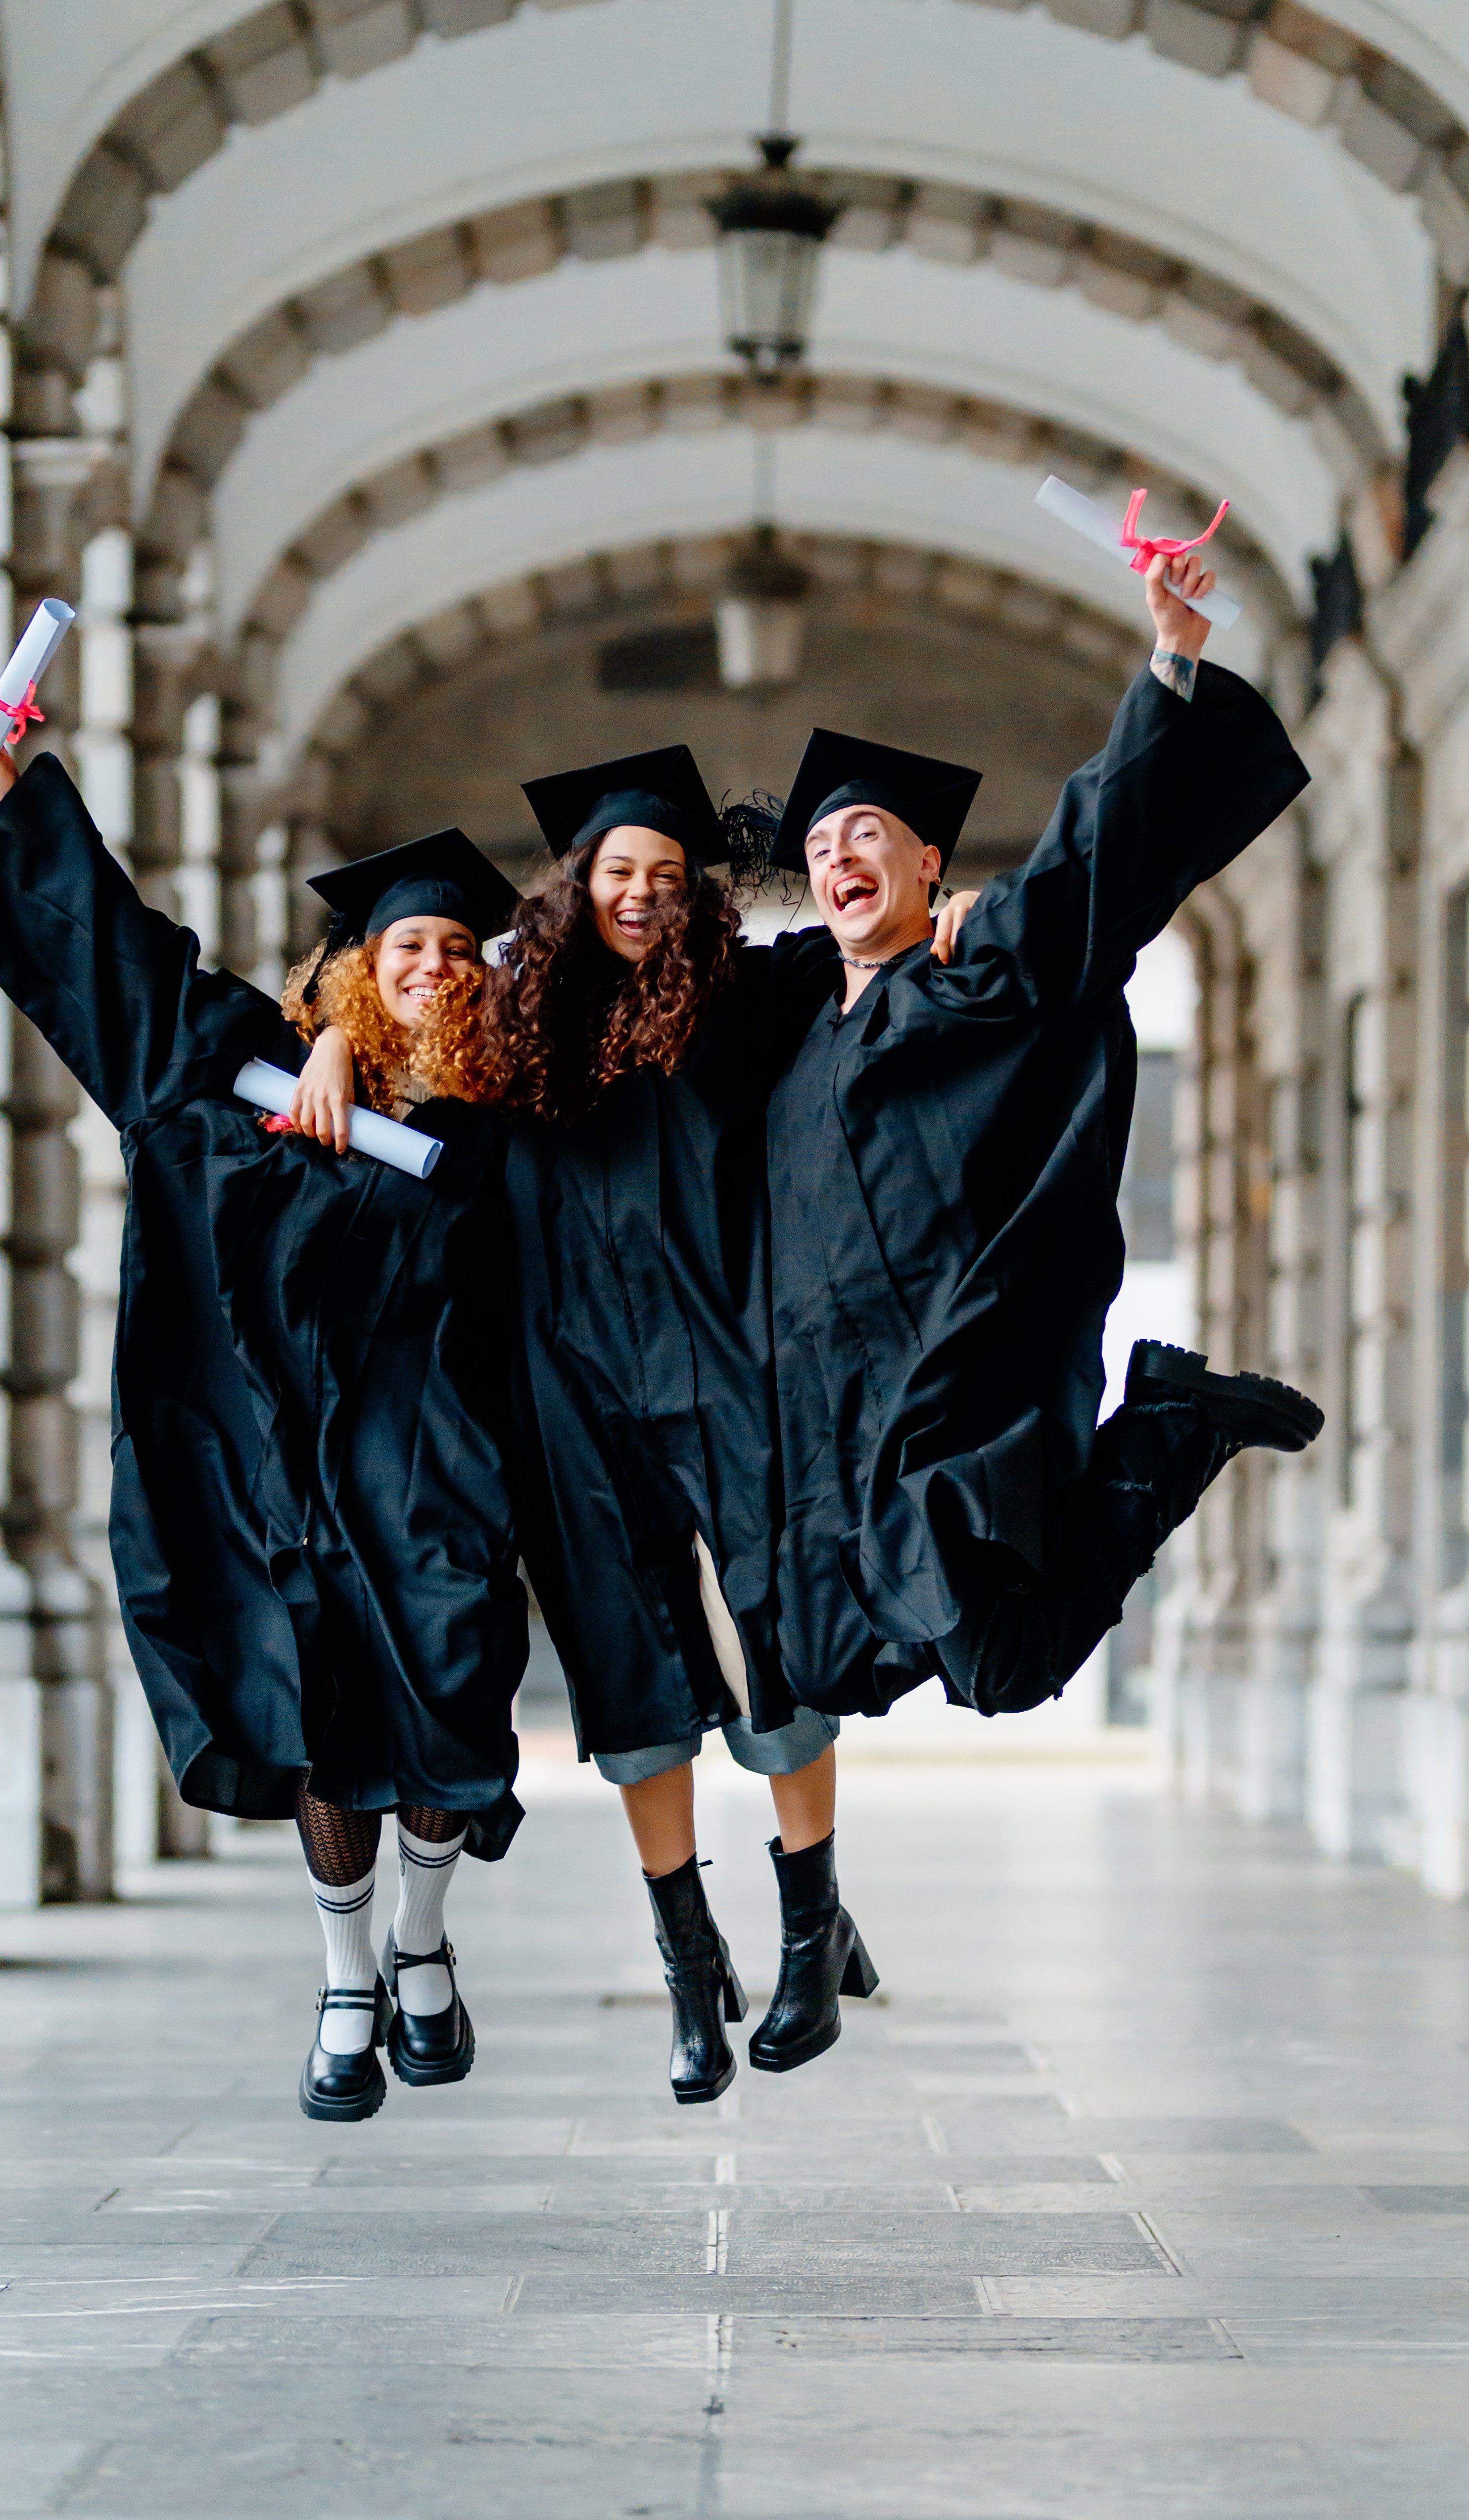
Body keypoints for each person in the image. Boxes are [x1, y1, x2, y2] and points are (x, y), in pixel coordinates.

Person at [292, 749, 971, 2100]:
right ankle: (687, 1965)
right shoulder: (510, 1018)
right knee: (628, 1682)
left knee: (769, 1649)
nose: (644, 894)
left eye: (667, 876)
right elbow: (393, 1012)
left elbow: (870, 953)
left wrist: (951, 926)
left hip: (723, 1374)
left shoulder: (749, 994)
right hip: (572, 1399)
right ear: (577, 886)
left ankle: (804, 1936)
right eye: (619, 872)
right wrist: (324, 1032)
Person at [0, 722, 525, 2124]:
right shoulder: (259, 1076)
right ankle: (343, 1975)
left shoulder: (518, 1114)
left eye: (454, 949)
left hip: (439, 1461)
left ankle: (423, 1941)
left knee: (447, 1688)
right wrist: (21, 800)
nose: (433, 966)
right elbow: (130, 976)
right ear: (360, 972)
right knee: (319, 1702)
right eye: (406, 952)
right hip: (289, 1463)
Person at [763, 551, 1320, 1723]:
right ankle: (1168, 1425)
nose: (837, 859)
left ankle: (1169, 1429)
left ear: (927, 862)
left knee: (1001, 1669)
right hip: (838, 1412)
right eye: (818, 849)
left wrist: (1167, 663)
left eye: (867, 835)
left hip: (961, 1378)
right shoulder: (793, 1020)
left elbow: (1085, 861)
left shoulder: (981, 964)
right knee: (828, 1671)